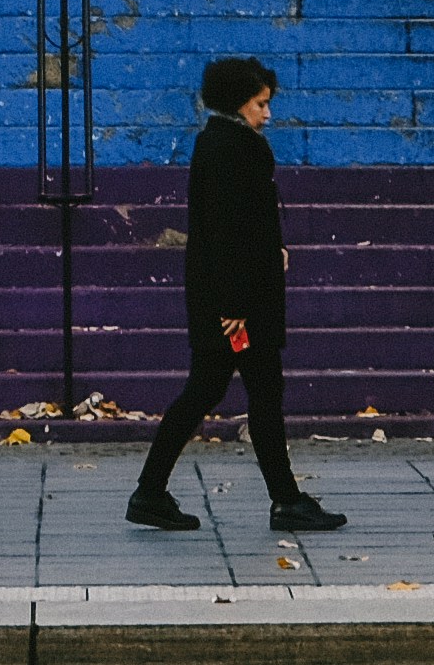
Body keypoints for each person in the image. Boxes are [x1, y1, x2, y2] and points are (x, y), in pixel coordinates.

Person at [127, 55, 345, 537]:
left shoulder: (223, 143)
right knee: (257, 393)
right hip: (239, 308)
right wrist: (232, 308)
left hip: (235, 300)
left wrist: (274, 251)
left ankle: (152, 492)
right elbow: (224, 234)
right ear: (237, 103)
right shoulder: (231, 148)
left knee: (215, 390)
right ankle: (283, 501)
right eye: (260, 104)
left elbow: (241, 226)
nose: (267, 114)